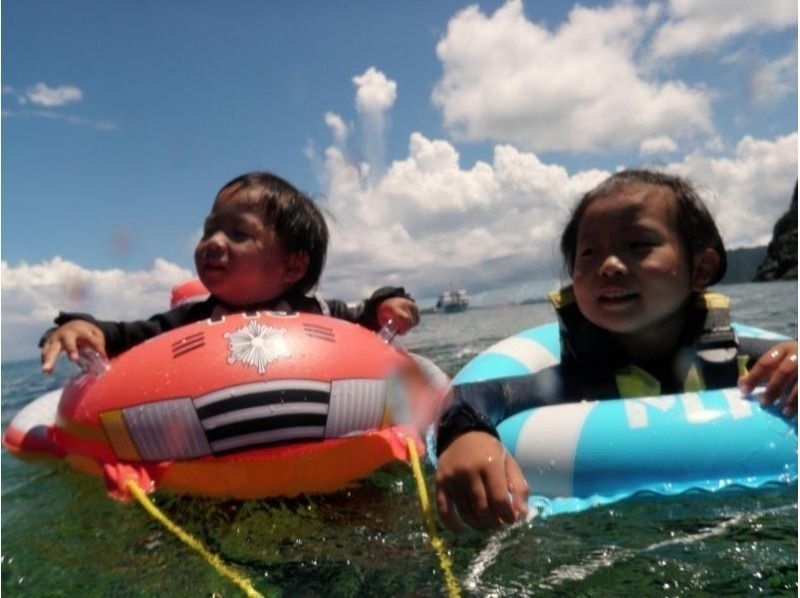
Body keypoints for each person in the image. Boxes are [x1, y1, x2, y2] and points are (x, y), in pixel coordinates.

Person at [435, 169, 798, 532]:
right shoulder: (577, 380)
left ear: (700, 269)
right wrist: (466, 435)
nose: (608, 266)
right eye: (589, 252)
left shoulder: (739, 359)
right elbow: (473, 396)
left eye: (638, 245)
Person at [40, 171, 420, 371]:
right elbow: (128, 337)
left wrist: (386, 304)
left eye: (238, 233)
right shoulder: (191, 320)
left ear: (293, 265)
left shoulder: (320, 313)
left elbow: (366, 323)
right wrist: (82, 326)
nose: (213, 242)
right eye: (209, 230)